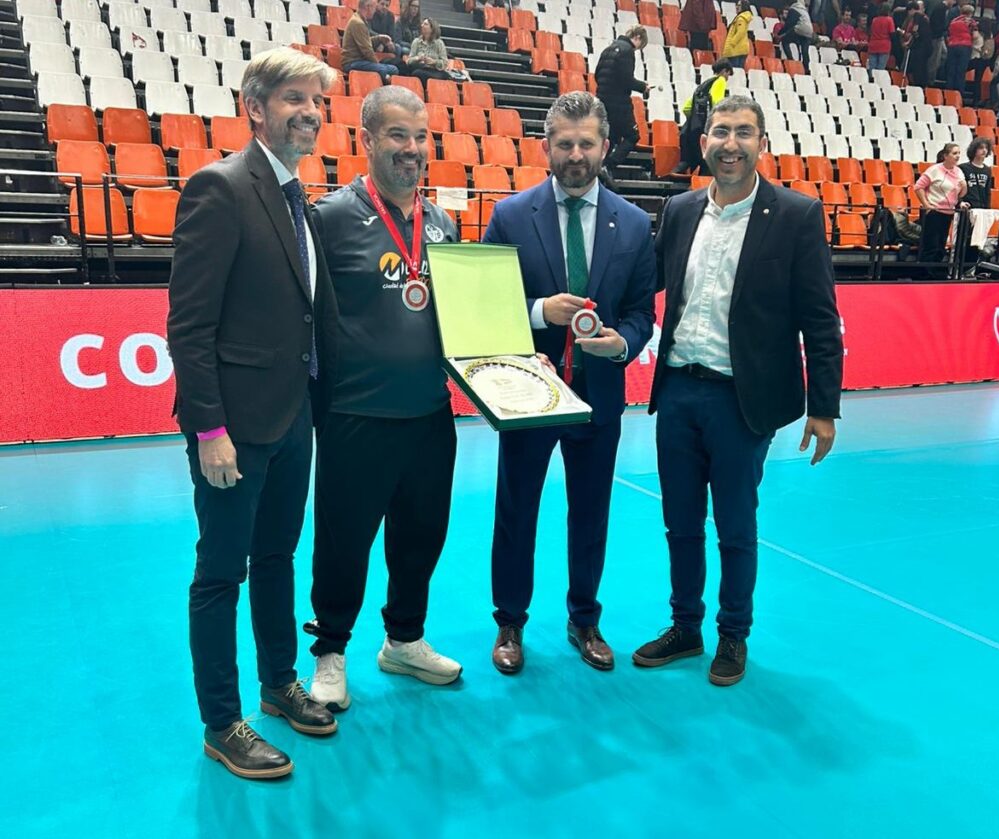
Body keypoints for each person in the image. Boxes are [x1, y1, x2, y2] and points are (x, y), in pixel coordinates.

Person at [166, 47, 340, 780]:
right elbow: (189, 324)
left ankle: (277, 684)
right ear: (256, 108)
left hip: (291, 416)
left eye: (317, 102)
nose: (309, 112)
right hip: (233, 429)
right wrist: (209, 430)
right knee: (220, 571)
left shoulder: (303, 196)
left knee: (276, 558)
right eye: (294, 99)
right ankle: (221, 721)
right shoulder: (221, 188)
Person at [633, 95, 843, 687]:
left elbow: (820, 319)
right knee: (678, 522)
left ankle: (732, 634)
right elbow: (645, 282)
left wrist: (824, 408)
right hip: (677, 391)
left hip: (741, 401)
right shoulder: (678, 210)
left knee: (734, 525)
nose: (730, 143)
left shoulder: (797, 215)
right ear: (703, 143)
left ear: (760, 143)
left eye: (743, 132)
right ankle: (685, 626)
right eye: (720, 131)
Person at [482, 92, 656, 675]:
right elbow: (488, 308)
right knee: (516, 508)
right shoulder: (510, 216)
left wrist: (623, 344)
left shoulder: (633, 224)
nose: (575, 154)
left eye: (586, 144)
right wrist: (538, 313)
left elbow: (640, 313)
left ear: (605, 147)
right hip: (529, 394)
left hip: (599, 395)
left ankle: (585, 619)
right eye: (564, 143)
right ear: (546, 147)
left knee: (591, 511)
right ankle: (510, 620)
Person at [306, 86, 462, 712]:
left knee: (422, 536)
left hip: (429, 415)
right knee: (344, 540)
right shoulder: (331, 218)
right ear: (366, 140)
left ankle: (404, 639)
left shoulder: (445, 222)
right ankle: (330, 652)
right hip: (356, 417)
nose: (412, 149)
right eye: (398, 136)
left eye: (421, 136)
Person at [594, 24, 650, 184]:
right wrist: (643, 87)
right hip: (619, 103)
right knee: (633, 135)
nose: (638, 49)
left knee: (611, 136)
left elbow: (598, 75)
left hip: (602, 100)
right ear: (638, 38)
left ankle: (601, 167)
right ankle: (608, 166)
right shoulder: (627, 51)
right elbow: (626, 80)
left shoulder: (608, 49)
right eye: (641, 45)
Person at [914, 142, 968, 276]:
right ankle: (924, 275)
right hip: (933, 212)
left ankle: (933, 274)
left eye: (959, 153)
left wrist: (964, 186)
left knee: (940, 246)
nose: (957, 156)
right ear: (945, 155)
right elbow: (918, 187)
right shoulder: (935, 169)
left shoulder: (959, 171)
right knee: (931, 246)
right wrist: (926, 204)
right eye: (954, 153)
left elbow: (961, 194)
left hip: (948, 213)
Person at [675, 59, 733, 175]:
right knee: (708, 163)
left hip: (694, 129)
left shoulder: (704, 85)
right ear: (724, 71)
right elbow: (717, 102)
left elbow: (686, 107)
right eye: (728, 74)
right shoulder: (720, 81)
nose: (727, 78)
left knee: (701, 161)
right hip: (707, 129)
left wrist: (695, 120)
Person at [342, 0, 399, 81]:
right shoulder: (358, 23)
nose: (375, 11)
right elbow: (367, 50)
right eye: (374, 8)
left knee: (392, 69)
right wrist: (377, 65)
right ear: (368, 7)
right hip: (353, 62)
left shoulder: (359, 20)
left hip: (359, 61)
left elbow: (366, 41)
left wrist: (379, 38)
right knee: (385, 70)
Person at [959, 136, 993, 266]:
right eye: (981, 148)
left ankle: (971, 268)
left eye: (986, 148)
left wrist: (987, 209)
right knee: (964, 239)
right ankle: (960, 267)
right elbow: (958, 188)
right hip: (967, 209)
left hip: (981, 210)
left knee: (977, 241)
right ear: (974, 150)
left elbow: (987, 191)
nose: (984, 151)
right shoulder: (964, 167)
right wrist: (960, 201)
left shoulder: (987, 170)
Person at [945, 4, 978, 95]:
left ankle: (948, 92)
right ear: (971, 13)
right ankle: (959, 93)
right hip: (965, 47)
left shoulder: (953, 21)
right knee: (961, 71)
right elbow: (975, 36)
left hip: (952, 46)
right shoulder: (971, 22)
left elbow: (948, 34)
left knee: (951, 70)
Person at [407, 18, 449, 83]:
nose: (422, 25)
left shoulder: (439, 43)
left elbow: (445, 63)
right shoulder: (416, 42)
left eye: (425, 24)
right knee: (417, 73)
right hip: (420, 68)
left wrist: (434, 62)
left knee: (445, 76)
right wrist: (418, 58)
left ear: (432, 29)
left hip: (434, 71)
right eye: (422, 23)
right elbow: (409, 61)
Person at [780, 0, 814, 73]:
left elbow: (789, 24)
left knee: (785, 40)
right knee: (805, 50)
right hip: (809, 31)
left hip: (800, 28)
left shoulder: (794, 9)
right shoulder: (803, 9)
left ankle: (791, 60)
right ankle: (806, 68)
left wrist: (780, 33)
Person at [723, 0, 754, 69]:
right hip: (740, 49)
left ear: (744, 7)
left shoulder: (741, 19)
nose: (737, 7)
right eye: (737, 5)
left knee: (734, 73)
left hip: (736, 50)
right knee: (738, 72)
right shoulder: (743, 18)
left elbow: (740, 32)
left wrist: (732, 43)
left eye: (739, 5)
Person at [868, 3, 898, 71]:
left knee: (872, 67)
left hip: (873, 45)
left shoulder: (874, 20)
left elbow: (871, 32)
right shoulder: (889, 20)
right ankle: (879, 81)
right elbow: (892, 34)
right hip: (884, 46)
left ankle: (871, 80)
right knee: (881, 68)